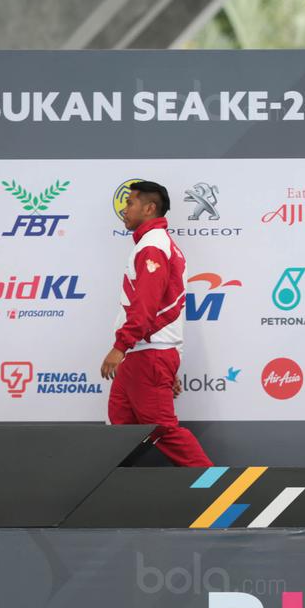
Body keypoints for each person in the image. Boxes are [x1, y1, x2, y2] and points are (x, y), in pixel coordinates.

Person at [101, 180, 212, 468]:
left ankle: (218, 491)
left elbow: (146, 307)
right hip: (144, 353)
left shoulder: (152, 247)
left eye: (130, 204)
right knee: (120, 431)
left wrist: (120, 347)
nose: (124, 210)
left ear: (149, 208)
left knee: (163, 430)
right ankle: (111, 497)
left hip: (146, 351)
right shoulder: (154, 244)